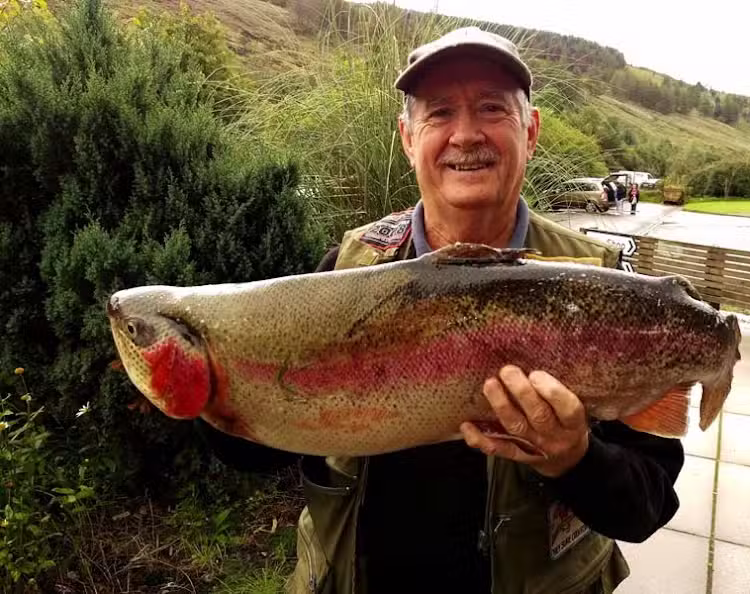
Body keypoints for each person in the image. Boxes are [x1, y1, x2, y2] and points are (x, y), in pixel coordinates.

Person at [198, 26, 684, 594]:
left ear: (530, 131)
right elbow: (263, 450)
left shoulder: (603, 286)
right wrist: (212, 387)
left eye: (491, 108)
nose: (466, 134)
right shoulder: (346, 269)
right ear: (408, 138)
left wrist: (576, 459)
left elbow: (647, 506)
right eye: (440, 113)